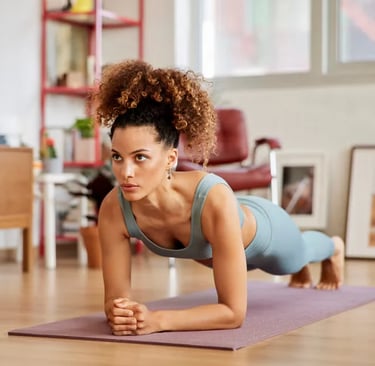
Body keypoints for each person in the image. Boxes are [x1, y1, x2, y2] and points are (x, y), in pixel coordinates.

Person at [94, 59, 345, 336]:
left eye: (140, 157)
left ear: (171, 159)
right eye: (117, 157)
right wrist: (122, 313)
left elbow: (233, 314)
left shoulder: (213, 197)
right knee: (287, 264)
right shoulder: (114, 209)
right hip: (220, 250)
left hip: (265, 232)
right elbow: (115, 301)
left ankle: (333, 247)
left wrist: (158, 320)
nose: (125, 172)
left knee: (296, 258)